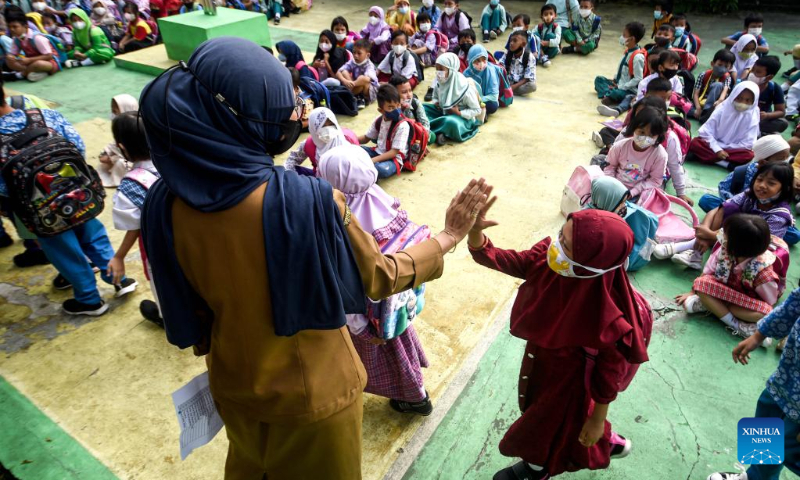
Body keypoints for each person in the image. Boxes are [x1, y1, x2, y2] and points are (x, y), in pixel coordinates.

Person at [138, 37, 491, 479]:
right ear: (238, 117)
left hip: (232, 383)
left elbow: (187, 310)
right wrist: (448, 236)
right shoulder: (309, 200)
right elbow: (380, 277)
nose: (296, 113)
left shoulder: (163, 202)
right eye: (282, 106)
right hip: (315, 399)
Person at [469, 208, 651, 480]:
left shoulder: (609, 319)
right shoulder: (553, 261)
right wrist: (475, 233)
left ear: (594, 260)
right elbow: (513, 261)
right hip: (540, 364)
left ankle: (536, 469)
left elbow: (607, 378)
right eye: (560, 235)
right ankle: (608, 441)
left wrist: (598, 418)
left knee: (541, 426)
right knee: (562, 420)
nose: (555, 246)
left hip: (570, 384)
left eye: (566, 244)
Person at [317, 144, 435, 415]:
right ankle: (415, 392)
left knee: (384, 359)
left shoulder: (344, 224)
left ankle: (416, 399)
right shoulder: (382, 201)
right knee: (400, 346)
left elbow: (347, 285)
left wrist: (361, 329)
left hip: (368, 320)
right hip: (398, 307)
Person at [0, 85, 137, 315]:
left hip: (38, 211)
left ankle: (89, 300)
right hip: (78, 193)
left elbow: (4, 188)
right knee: (94, 235)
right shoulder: (43, 115)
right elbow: (78, 147)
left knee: (63, 250)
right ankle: (118, 279)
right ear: (3, 93)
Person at [709, 289, 800, 480]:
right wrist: (759, 335)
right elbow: (793, 304)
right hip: (785, 380)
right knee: (764, 426)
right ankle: (755, 477)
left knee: (789, 450)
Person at [656, 163, 796, 269]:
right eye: (759, 180)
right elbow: (719, 209)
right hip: (732, 235)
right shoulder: (750, 194)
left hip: (753, 251)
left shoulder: (779, 217)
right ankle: (697, 252)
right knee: (728, 207)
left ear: (784, 189)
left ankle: (691, 247)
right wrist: (705, 229)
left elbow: (754, 245)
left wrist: (710, 235)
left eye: (771, 183)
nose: (762, 186)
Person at [676, 215, 785, 343]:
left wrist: (737, 304)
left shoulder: (763, 272)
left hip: (746, 301)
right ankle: (734, 320)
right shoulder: (725, 250)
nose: (722, 235)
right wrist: (692, 292)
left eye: (727, 235)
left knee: (765, 313)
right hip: (726, 290)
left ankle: (730, 320)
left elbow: (769, 301)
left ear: (737, 246)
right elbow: (708, 270)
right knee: (701, 283)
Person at [107, 112, 162, 326]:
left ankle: (167, 317)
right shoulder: (179, 162)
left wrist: (119, 256)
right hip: (194, 237)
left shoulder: (131, 186)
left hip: (159, 248)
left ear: (122, 147)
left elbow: (135, 227)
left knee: (162, 282)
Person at [698, 134, 792, 213]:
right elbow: (723, 187)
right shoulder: (743, 171)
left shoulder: (782, 174)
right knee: (707, 200)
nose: (784, 162)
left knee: (794, 234)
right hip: (740, 209)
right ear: (763, 162)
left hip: (766, 215)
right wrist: (735, 202)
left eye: (786, 158)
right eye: (781, 159)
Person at [584, 177, 659, 272]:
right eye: (621, 203)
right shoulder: (598, 227)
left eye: (625, 202)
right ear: (608, 201)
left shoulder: (595, 208)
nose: (625, 206)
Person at [686, 81, 760, 169]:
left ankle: (706, 158)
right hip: (713, 144)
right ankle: (726, 164)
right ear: (733, 96)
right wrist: (717, 149)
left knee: (748, 155)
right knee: (695, 143)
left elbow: (748, 143)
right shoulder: (722, 108)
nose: (742, 103)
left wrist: (725, 149)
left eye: (747, 100)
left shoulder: (753, 114)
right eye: (739, 98)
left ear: (754, 102)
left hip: (733, 150)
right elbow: (706, 132)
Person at [602, 106, 668, 200]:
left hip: (639, 192)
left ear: (659, 136)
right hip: (614, 186)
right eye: (642, 132)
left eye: (651, 135)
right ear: (634, 128)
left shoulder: (660, 155)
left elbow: (655, 180)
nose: (645, 138)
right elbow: (610, 168)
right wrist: (613, 187)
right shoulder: (619, 146)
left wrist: (632, 192)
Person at [423, 52, 483, 145]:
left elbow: (476, 110)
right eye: (437, 69)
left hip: (462, 119)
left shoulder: (464, 88)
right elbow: (435, 97)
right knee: (422, 107)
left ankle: (428, 129)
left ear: (451, 70)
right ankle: (439, 131)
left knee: (450, 122)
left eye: (441, 69)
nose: (438, 72)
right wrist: (436, 102)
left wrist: (459, 113)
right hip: (442, 112)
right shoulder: (440, 82)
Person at [594, 21, 646, 117]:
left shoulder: (638, 57)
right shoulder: (627, 52)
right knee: (599, 79)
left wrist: (622, 87)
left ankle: (612, 96)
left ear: (632, 38)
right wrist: (615, 81)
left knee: (618, 93)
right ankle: (611, 96)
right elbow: (621, 70)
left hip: (628, 89)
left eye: (624, 35)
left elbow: (638, 78)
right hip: (619, 84)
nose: (622, 37)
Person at [285, 107, 358, 175]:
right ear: (313, 129)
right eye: (322, 126)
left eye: (331, 124)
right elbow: (292, 160)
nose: (328, 129)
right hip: (319, 180)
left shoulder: (348, 139)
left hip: (347, 180)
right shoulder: (309, 144)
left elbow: (359, 167)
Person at [4, 7, 59, 82]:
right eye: (9, 27)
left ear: (26, 26)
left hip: (49, 62)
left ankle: (20, 75)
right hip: (30, 63)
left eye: (15, 27)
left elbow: (49, 56)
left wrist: (29, 60)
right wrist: (11, 57)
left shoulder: (37, 38)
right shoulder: (16, 39)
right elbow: (13, 54)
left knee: (38, 64)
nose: (12, 29)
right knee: (8, 60)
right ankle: (31, 72)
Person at [98, 94, 139, 187]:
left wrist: (112, 159)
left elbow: (137, 157)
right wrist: (106, 153)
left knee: (120, 164)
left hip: (137, 162)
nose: (113, 115)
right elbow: (113, 144)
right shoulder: (121, 128)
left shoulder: (137, 130)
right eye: (112, 111)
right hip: (124, 157)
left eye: (115, 112)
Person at [690, 49, 735, 122]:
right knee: (685, 108)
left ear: (730, 68)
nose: (722, 68)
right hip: (699, 103)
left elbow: (722, 96)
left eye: (726, 66)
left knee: (718, 85)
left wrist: (718, 103)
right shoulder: (703, 75)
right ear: (712, 63)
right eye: (719, 65)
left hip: (714, 105)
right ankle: (704, 115)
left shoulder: (727, 78)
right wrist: (698, 108)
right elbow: (695, 94)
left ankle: (706, 112)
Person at [750, 55, 789, 134]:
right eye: (753, 70)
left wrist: (767, 115)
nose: (753, 74)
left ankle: (755, 129)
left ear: (769, 77)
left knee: (783, 123)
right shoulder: (744, 83)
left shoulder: (774, 88)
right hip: (741, 117)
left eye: (758, 72)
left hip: (760, 120)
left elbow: (781, 111)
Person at [390, 74, 433, 143]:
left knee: (432, 136)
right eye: (404, 92)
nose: (409, 95)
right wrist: (399, 109)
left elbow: (425, 123)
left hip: (415, 133)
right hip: (398, 134)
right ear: (394, 94)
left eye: (410, 90)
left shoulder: (415, 103)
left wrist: (422, 139)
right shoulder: (390, 106)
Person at [336, 38, 379, 109]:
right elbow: (339, 71)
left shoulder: (369, 65)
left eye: (359, 53)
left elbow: (367, 79)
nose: (356, 55)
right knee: (344, 72)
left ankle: (356, 96)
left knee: (363, 78)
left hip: (368, 91)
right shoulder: (352, 61)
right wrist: (345, 81)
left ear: (367, 55)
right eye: (354, 52)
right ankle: (356, 96)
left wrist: (352, 84)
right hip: (356, 87)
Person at [464, 44, 499, 117]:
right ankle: (480, 113)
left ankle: (476, 112)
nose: (481, 63)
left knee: (493, 106)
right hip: (470, 99)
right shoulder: (467, 72)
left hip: (484, 100)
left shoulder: (490, 71)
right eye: (477, 60)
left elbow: (494, 96)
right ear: (471, 60)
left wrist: (478, 99)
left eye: (484, 60)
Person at [504, 30, 537, 96]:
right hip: (508, 81)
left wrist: (513, 87)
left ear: (523, 44)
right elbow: (500, 67)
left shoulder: (529, 57)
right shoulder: (507, 54)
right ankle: (509, 90)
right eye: (511, 41)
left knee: (532, 86)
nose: (511, 43)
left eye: (515, 41)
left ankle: (508, 91)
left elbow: (527, 79)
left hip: (520, 83)